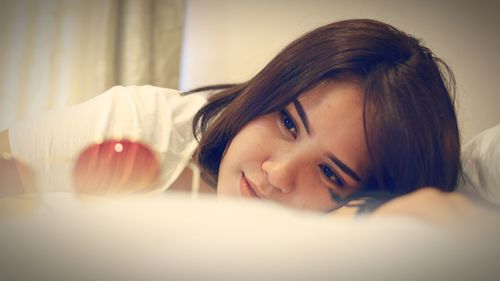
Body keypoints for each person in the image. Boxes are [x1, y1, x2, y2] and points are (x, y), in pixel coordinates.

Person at [0, 19, 491, 222]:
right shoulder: (138, 123)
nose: (276, 172)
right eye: (288, 123)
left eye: (330, 172)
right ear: (268, 91)